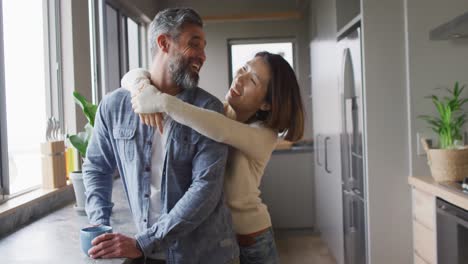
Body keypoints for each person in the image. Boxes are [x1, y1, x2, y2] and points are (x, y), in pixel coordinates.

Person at [83, 8, 239, 264]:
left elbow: (206, 188)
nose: (203, 55)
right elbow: (96, 167)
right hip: (148, 252)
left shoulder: (207, 109)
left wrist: (144, 242)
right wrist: (100, 224)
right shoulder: (115, 106)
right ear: (164, 43)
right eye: (194, 44)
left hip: (204, 255)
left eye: (203, 47)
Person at [122, 51, 305, 264]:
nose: (240, 77)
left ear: (266, 104)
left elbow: (222, 130)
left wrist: (161, 101)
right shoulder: (213, 113)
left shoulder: (265, 135)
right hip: (216, 237)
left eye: (253, 79)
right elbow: (130, 75)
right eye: (244, 68)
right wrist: (141, 87)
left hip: (251, 240)